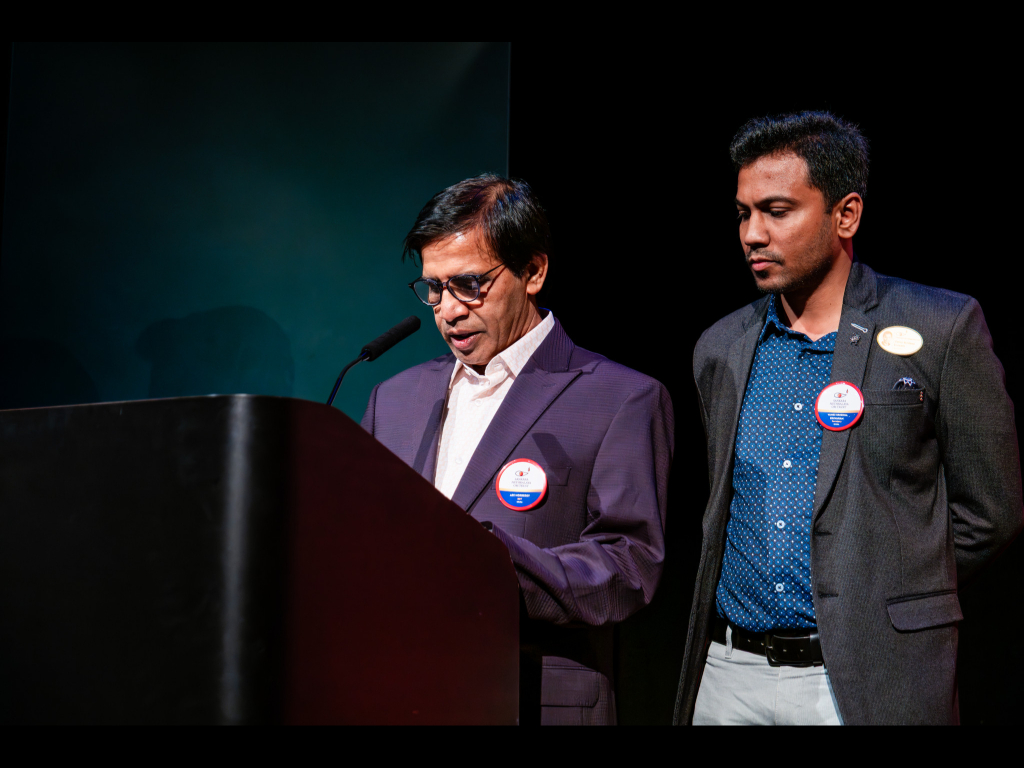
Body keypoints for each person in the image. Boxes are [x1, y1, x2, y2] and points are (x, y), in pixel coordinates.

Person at [673, 111, 1023, 725]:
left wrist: (888, 585)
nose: (752, 234)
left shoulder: (940, 327)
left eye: (777, 211)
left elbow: (990, 514)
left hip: (863, 672)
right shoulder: (720, 347)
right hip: (730, 674)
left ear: (846, 215)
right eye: (743, 213)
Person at [361, 174, 674, 725]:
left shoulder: (620, 398)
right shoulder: (394, 398)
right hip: (402, 692)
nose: (448, 310)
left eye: (468, 284)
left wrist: (490, 565)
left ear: (533, 271)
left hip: (531, 699)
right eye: (433, 288)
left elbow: (629, 568)